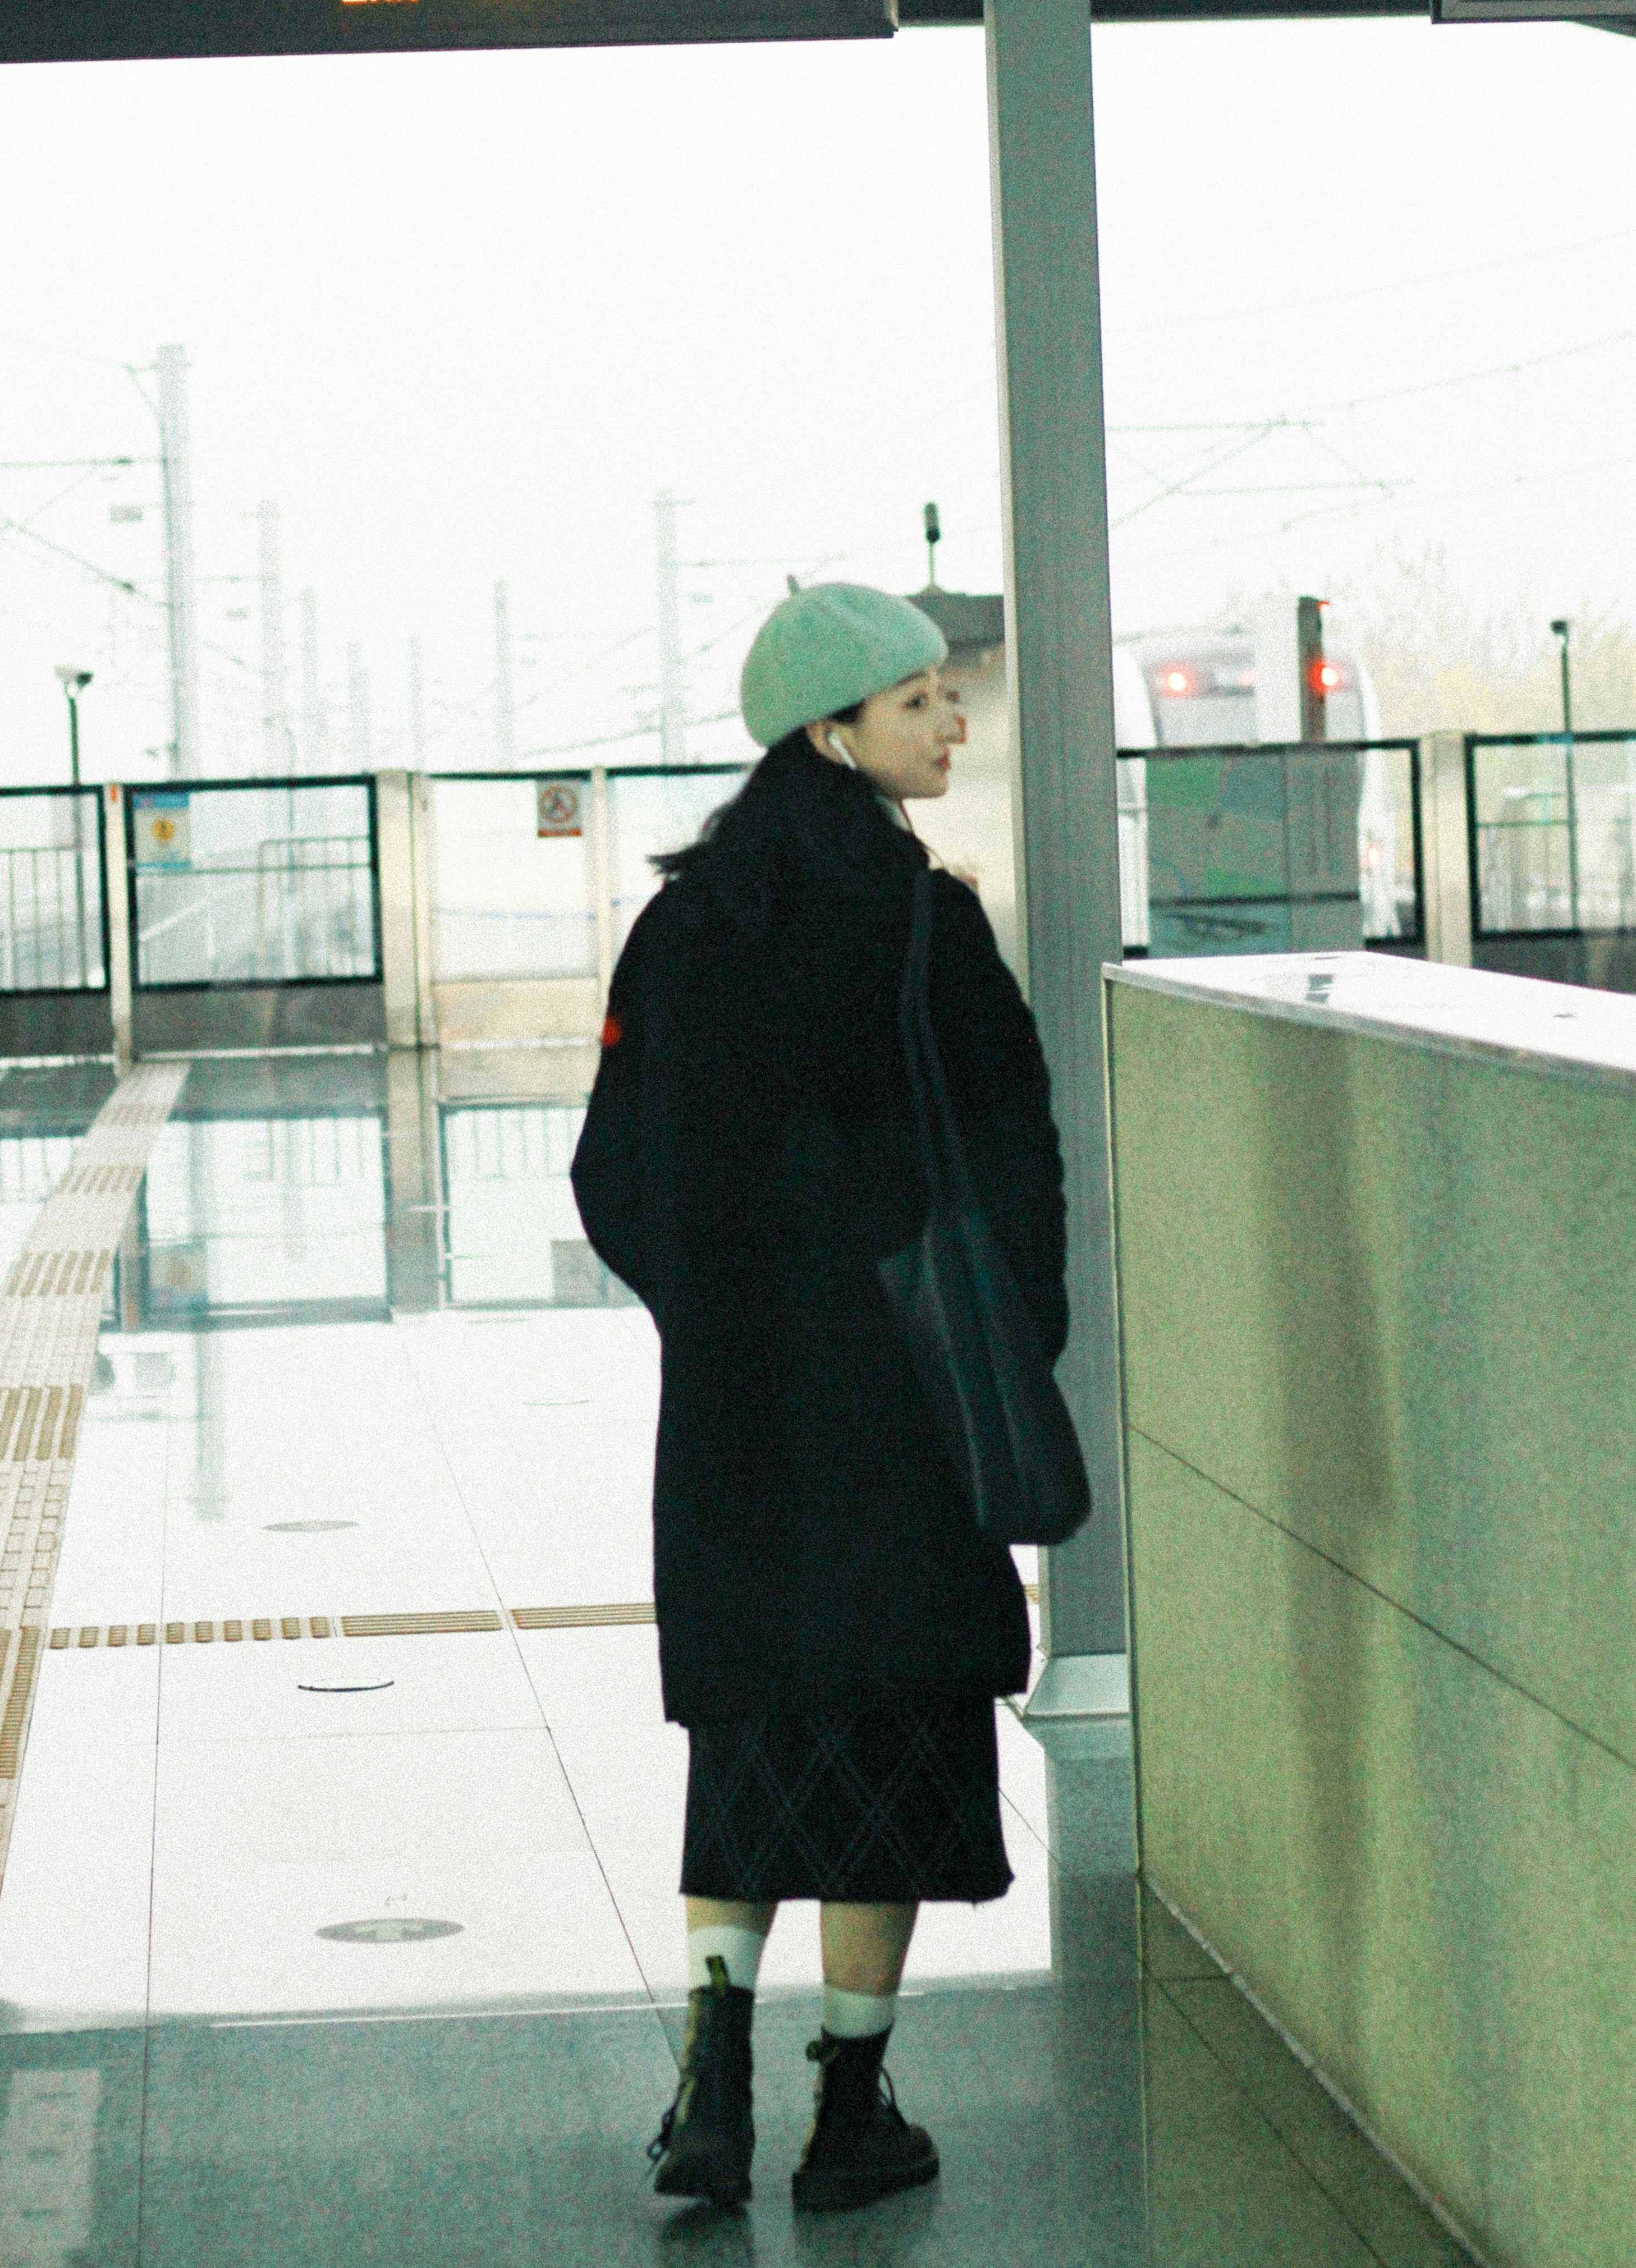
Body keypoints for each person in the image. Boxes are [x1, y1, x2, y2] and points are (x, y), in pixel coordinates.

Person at [572, 581, 1067, 2216]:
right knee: (898, 1729)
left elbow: (608, 1167)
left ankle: (712, 2075)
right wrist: (1013, 1331)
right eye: (919, 699)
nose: (951, 722)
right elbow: (1014, 1156)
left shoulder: (678, 922)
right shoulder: (924, 921)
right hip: (902, 1398)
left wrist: (711, 1316)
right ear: (830, 730)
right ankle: (849, 2109)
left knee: (753, 1718)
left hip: (736, 1404)